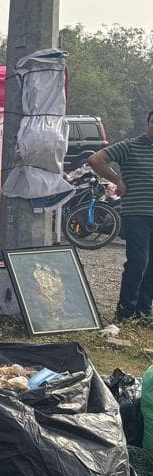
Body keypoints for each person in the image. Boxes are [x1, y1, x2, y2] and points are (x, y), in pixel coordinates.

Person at [89, 112, 153, 321]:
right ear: (147, 123)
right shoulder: (131, 146)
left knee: (152, 264)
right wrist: (117, 180)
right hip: (137, 213)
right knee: (138, 261)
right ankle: (126, 311)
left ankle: (144, 312)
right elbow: (96, 160)